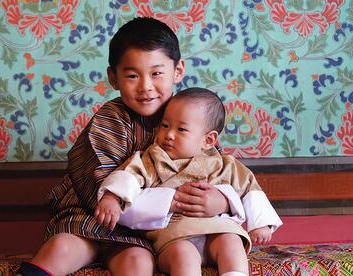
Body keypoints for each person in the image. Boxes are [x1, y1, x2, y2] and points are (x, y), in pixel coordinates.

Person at [17, 17, 234, 276]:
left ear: (178, 71)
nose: (145, 86)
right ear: (113, 77)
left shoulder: (191, 116)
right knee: (64, 247)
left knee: (138, 263)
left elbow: (217, 168)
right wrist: (170, 200)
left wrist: (221, 201)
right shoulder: (111, 118)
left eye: (156, 73)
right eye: (132, 75)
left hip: (144, 233)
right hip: (92, 215)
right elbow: (98, 186)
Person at [95, 87, 283, 276]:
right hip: (174, 236)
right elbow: (129, 175)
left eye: (181, 129)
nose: (169, 135)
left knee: (231, 242)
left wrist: (260, 223)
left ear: (208, 140)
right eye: (165, 125)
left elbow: (249, 187)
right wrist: (112, 197)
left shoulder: (223, 164)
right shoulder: (153, 159)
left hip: (217, 229)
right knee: (184, 255)